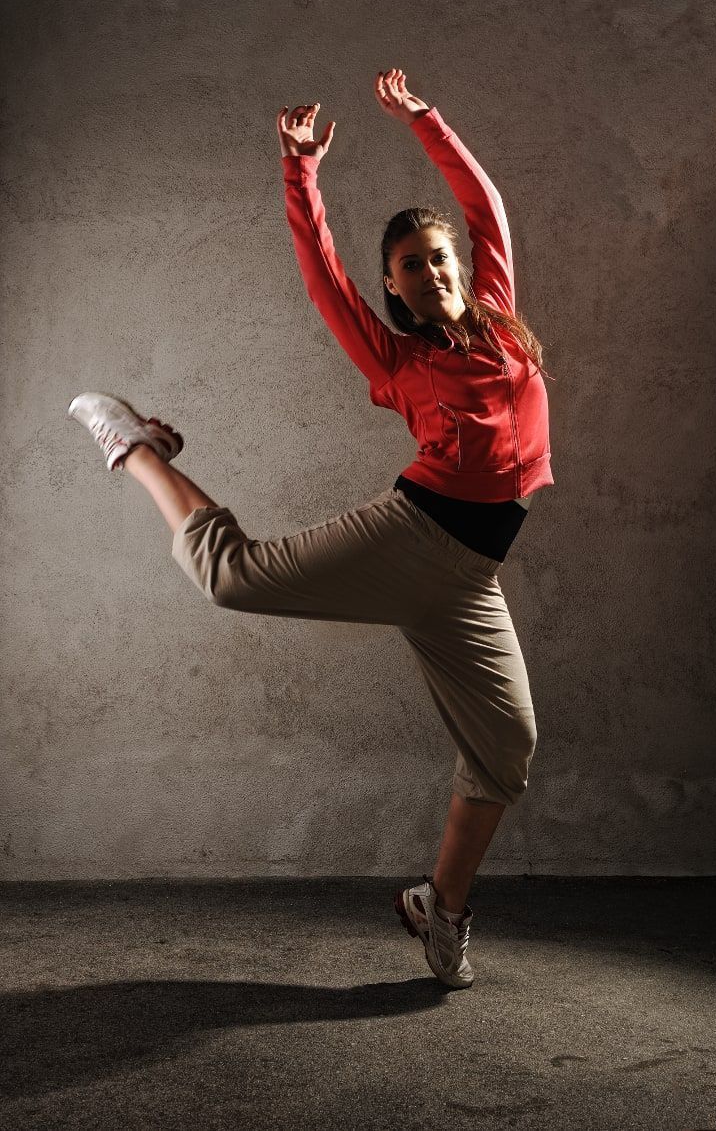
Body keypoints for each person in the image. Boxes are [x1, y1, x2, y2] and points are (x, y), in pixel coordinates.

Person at [67, 67, 554, 990]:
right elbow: (325, 278)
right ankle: (134, 446)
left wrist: (427, 120)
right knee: (232, 577)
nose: (434, 271)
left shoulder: (502, 327)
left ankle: (439, 911)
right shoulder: (395, 356)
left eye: (440, 257)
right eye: (412, 267)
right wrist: (301, 174)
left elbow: (482, 202)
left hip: (468, 579)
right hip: (415, 538)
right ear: (397, 290)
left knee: (507, 751)